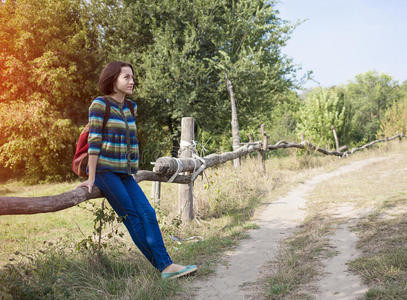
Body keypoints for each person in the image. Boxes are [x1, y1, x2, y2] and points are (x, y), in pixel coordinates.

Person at [76, 61, 197, 279]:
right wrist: (91, 178)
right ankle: (165, 266)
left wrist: (132, 169)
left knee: (148, 213)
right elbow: (94, 142)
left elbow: (132, 141)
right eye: (126, 77)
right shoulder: (99, 104)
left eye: (132, 77)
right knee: (132, 216)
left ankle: (166, 266)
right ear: (113, 80)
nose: (132, 82)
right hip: (105, 172)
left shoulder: (131, 107)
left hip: (124, 173)